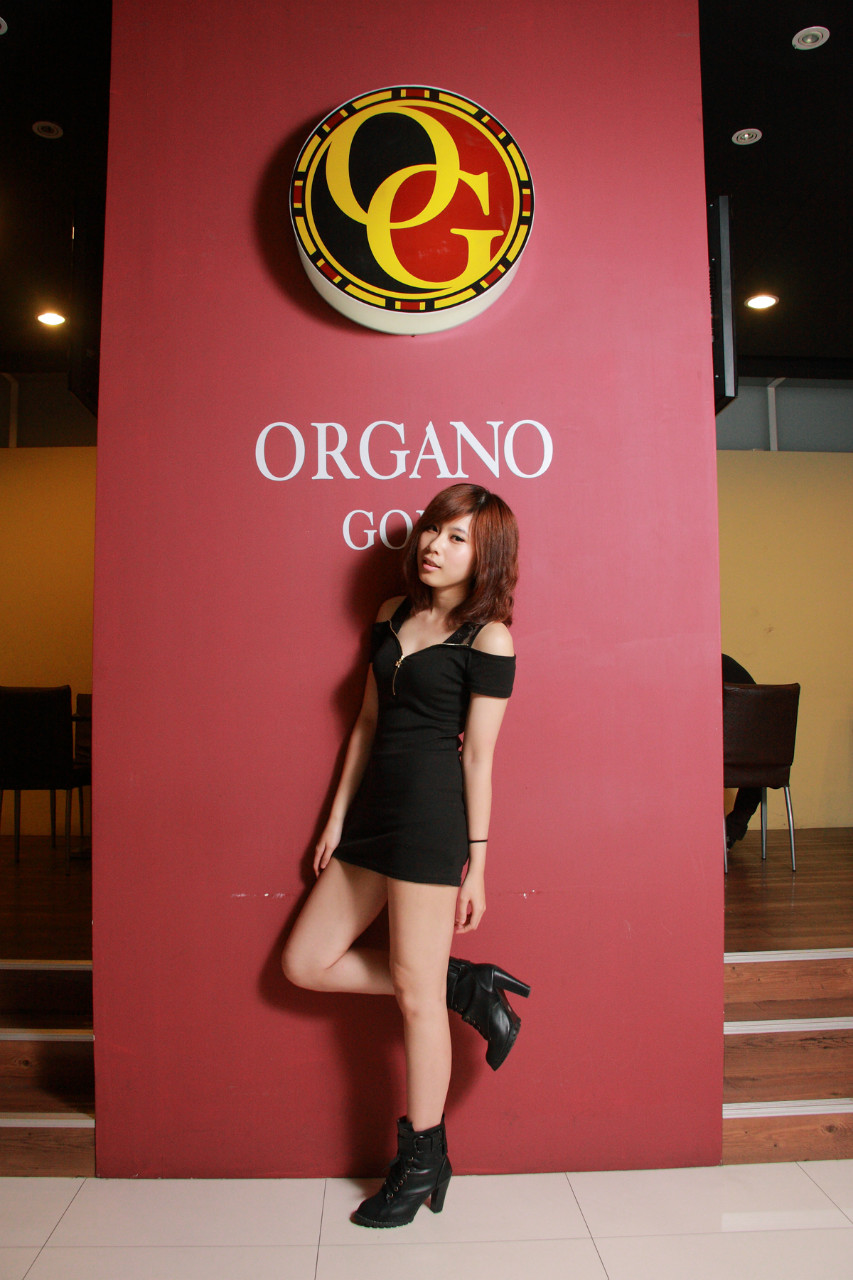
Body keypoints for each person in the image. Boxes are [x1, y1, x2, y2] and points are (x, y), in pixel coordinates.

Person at [282, 482, 530, 1228]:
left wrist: (478, 865)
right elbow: (365, 723)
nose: (434, 545)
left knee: (414, 1001)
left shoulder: (489, 640)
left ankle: (421, 1162)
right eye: (432, 530)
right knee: (304, 962)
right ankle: (463, 983)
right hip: (371, 817)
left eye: (456, 538)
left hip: (429, 821)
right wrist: (335, 819)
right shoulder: (392, 613)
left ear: (484, 556)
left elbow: (479, 759)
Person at [722, 653, 762, 850]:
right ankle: (731, 831)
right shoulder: (728, 665)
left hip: (720, 755)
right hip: (761, 757)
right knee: (760, 768)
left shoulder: (704, 669)